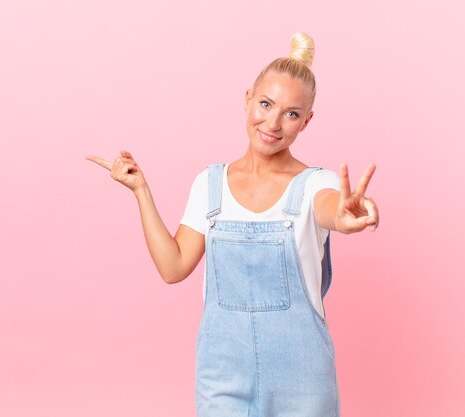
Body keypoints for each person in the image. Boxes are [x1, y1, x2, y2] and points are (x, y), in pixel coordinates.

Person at [87, 32, 379, 417]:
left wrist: (344, 216)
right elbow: (173, 268)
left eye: (291, 114)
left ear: (306, 121)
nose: (273, 122)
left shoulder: (317, 185)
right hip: (223, 377)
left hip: (302, 382)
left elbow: (330, 208)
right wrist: (141, 190)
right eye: (265, 103)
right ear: (247, 100)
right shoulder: (209, 186)